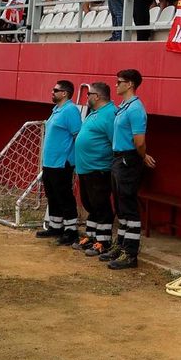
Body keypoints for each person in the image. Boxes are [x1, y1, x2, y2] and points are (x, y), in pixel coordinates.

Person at [105, 69, 154, 270]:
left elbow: (139, 141)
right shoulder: (125, 106)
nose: (116, 85)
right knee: (121, 205)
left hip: (128, 159)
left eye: (119, 82)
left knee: (128, 206)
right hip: (119, 158)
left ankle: (130, 253)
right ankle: (122, 245)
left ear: (130, 84)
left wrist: (142, 156)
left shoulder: (135, 109)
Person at [72, 81, 116, 257]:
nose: (87, 97)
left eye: (89, 94)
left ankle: (104, 242)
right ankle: (91, 236)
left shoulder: (110, 114)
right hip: (85, 168)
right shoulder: (94, 113)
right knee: (90, 204)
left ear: (96, 97)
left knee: (101, 205)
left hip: (99, 168)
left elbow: (116, 142)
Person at [37, 79, 83, 245]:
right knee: (52, 195)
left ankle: (71, 230)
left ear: (64, 93)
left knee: (64, 196)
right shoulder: (57, 110)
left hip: (62, 163)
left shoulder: (70, 110)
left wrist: (74, 159)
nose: (52, 92)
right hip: (49, 162)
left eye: (55, 90)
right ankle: (55, 226)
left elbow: (78, 135)